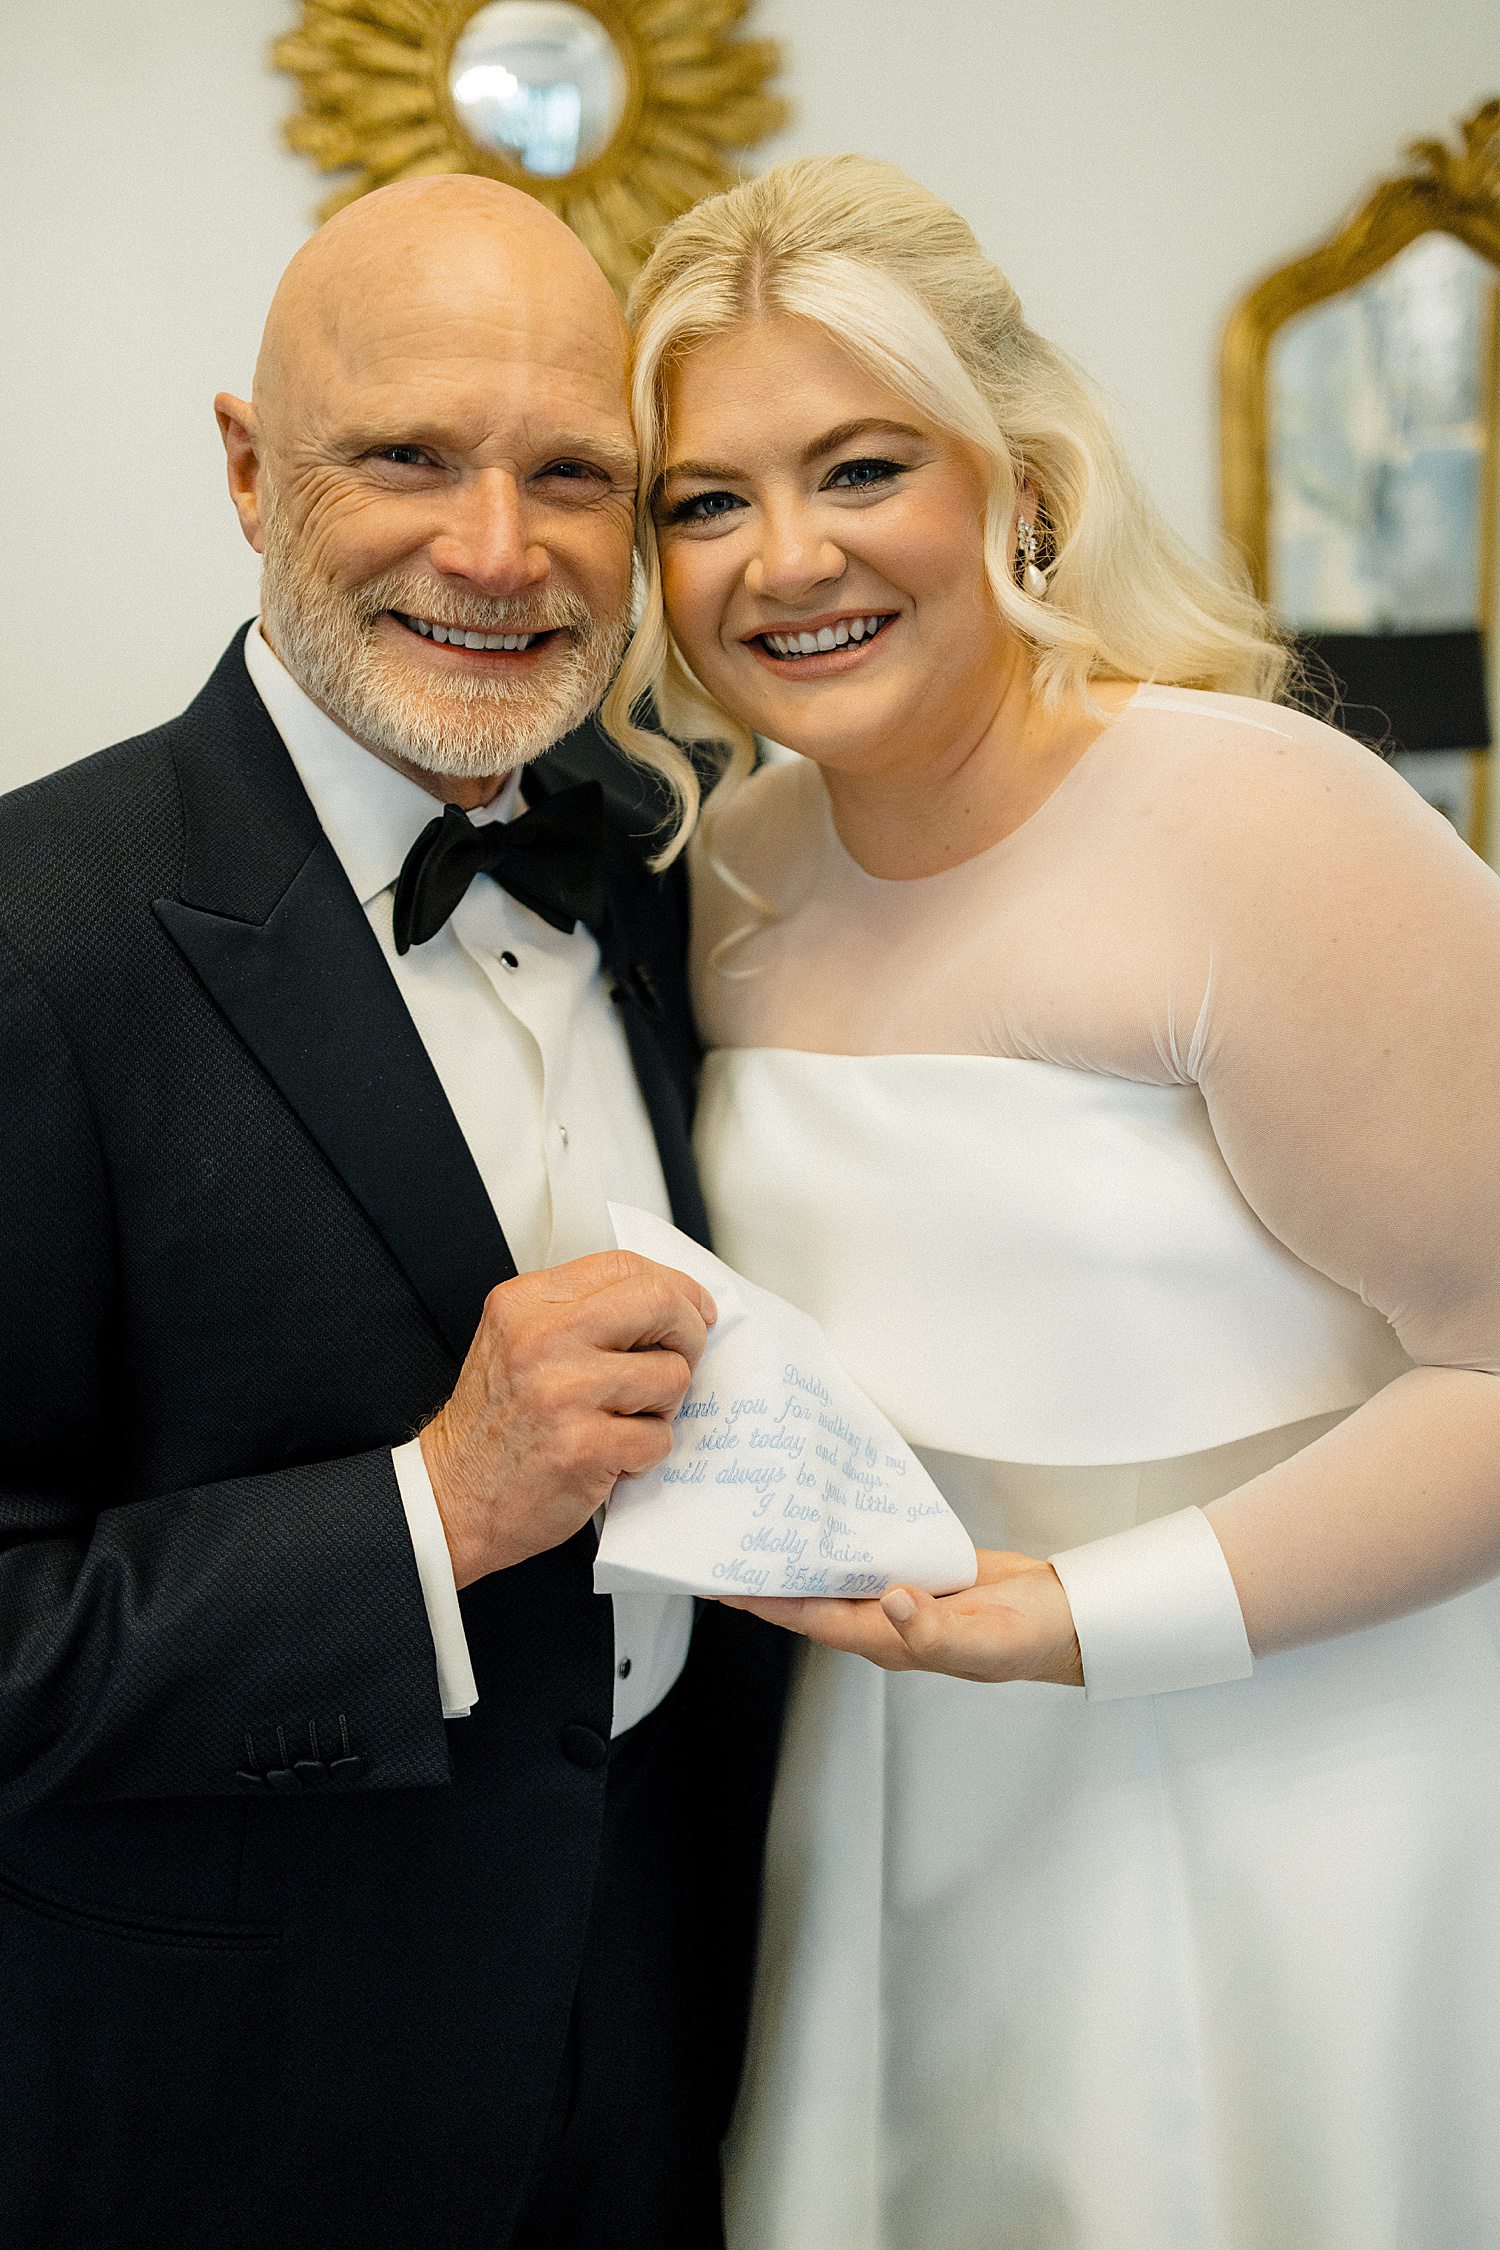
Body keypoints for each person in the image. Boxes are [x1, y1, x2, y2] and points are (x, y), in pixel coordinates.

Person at [599, 154, 1500, 2249]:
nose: (784, 559)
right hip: (895, 1777)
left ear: (1018, 477)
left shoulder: (1256, 818)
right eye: (705, 501)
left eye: (858, 467)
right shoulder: (723, 878)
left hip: (1301, 1770)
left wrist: (1082, 1624)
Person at [0, 174, 785, 2250]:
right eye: (409, 457)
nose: (498, 552)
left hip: (671, 2057)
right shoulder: (30, 937)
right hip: (220, 2122)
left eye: (574, 476)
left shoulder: (676, 880)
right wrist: (432, 1507)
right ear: (252, 471)